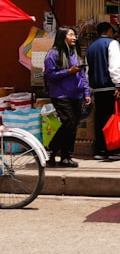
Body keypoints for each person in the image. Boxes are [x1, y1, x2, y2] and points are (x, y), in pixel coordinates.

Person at [43, 26, 92, 168]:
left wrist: (86, 92)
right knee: (68, 123)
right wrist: (69, 71)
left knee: (72, 126)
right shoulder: (53, 54)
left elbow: (82, 75)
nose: (74, 37)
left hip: (76, 95)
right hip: (60, 95)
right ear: (62, 37)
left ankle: (66, 156)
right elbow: (49, 76)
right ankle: (51, 147)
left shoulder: (75, 54)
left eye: (74, 35)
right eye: (71, 35)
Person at [85, 22, 120, 161]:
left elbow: (87, 71)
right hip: (109, 87)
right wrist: (118, 84)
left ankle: (100, 150)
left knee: (100, 119)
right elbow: (114, 67)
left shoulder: (90, 47)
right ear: (108, 31)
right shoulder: (112, 43)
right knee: (111, 119)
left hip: (97, 88)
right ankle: (113, 149)